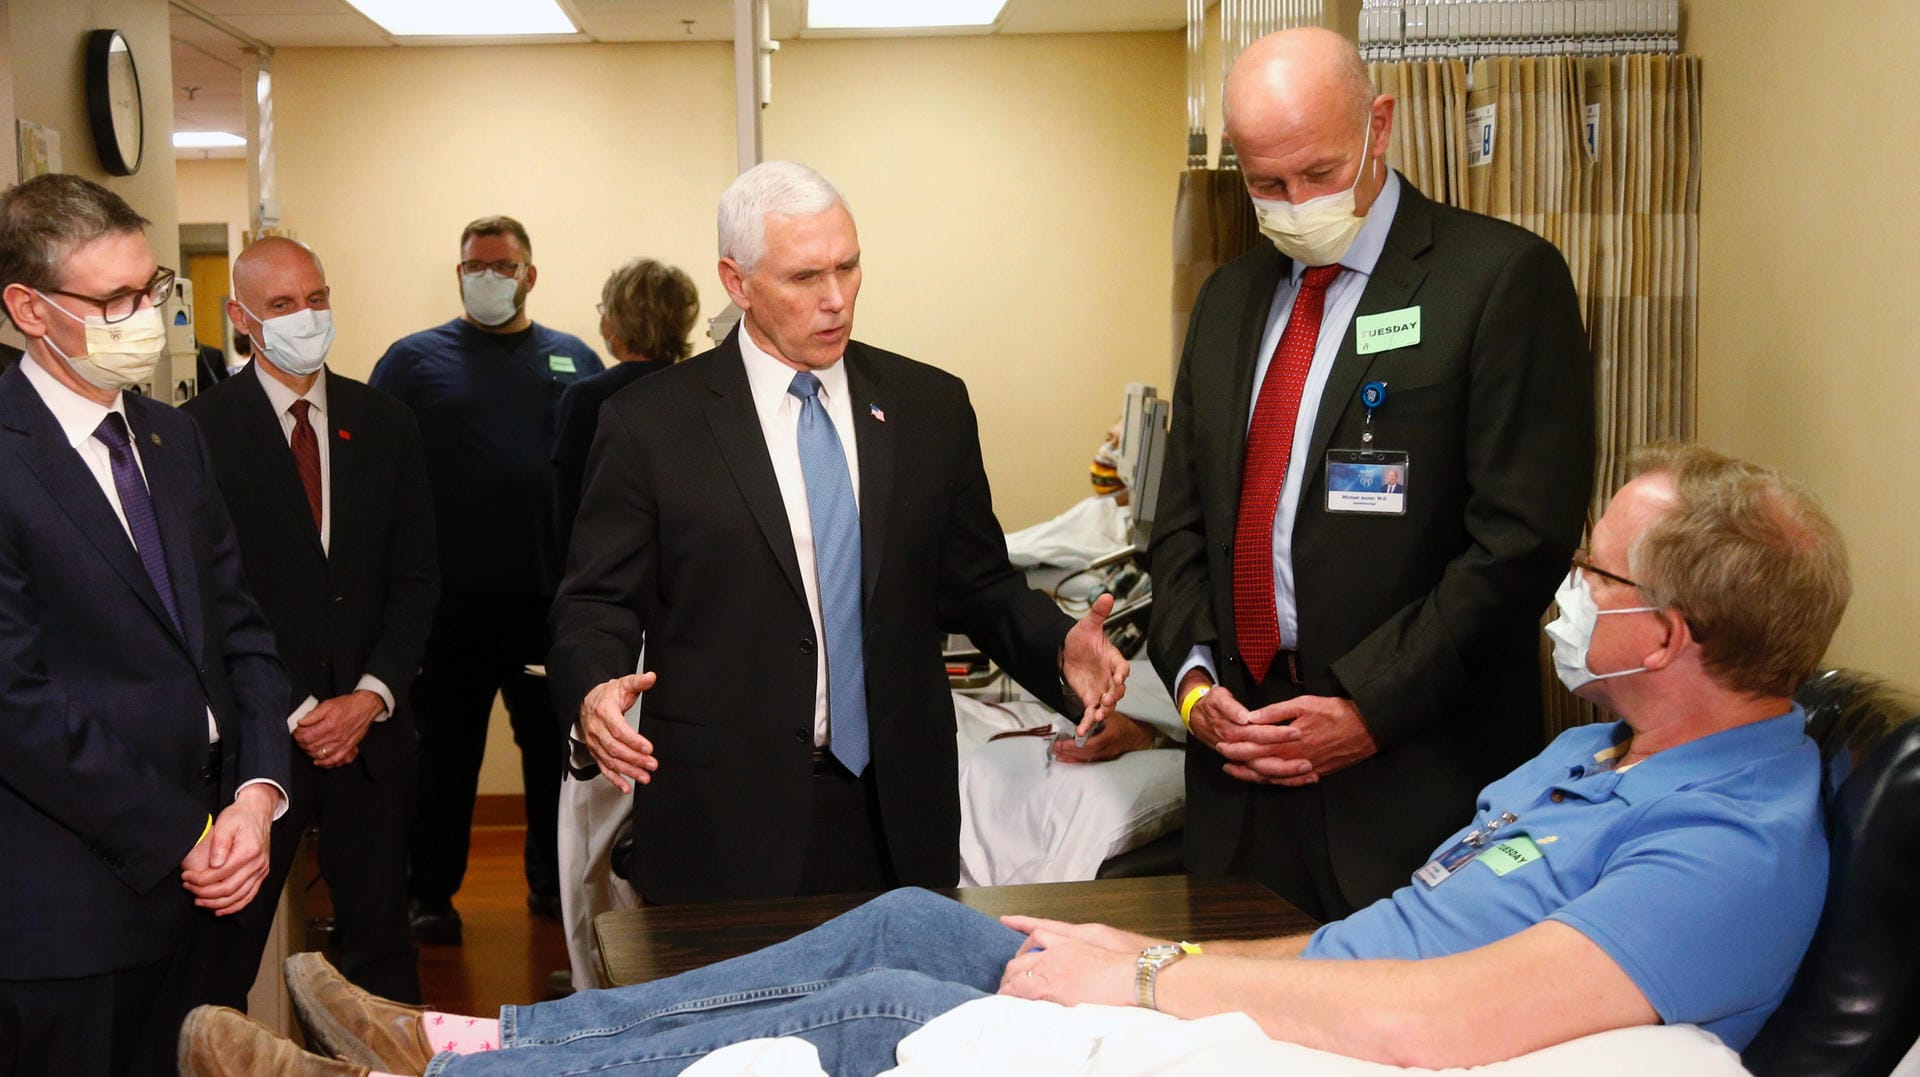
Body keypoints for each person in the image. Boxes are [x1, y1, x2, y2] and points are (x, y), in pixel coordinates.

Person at [180, 441, 1849, 1075]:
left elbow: (1431, 1019)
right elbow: (1378, 954)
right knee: (909, 919)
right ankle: (473, 1036)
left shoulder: (1730, 849)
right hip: (1286, 1000)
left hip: (1318, 1058)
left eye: (1599, 580)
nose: (1569, 597)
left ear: (1678, 634)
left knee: (894, 1014)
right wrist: (1156, 952)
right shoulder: (1606, 757)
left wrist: (1148, 981)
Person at [549, 160, 1129, 905]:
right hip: (722, 819)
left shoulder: (929, 407)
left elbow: (979, 584)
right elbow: (594, 600)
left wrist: (1058, 644)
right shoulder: (652, 425)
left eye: (848, 268)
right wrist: (593, 689)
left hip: (896, 813)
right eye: (803, 278)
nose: (835, 301)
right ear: (737, 281)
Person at [1149, 28, 1595, 920]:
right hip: (1240, 780)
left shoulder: (1498, 280)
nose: (1295, 203)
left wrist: (1365, 706)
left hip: (1414, 775)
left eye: (1318, 173)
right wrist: (1196, 684)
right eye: (1267, 184)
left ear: (1378, 126)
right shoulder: (1230, 298)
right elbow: (1181, 522)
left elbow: (1519, 541)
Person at [0, 173, 291, 1076]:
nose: (145, 316)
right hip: (73, 909)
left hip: (216, 878)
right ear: (29, 308)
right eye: (115, 299)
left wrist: (256, 794)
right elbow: (18, 707)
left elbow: (240, 629)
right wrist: (183, 837)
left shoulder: (171, 437)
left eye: (152, 288)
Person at [183, 237, 440, 1005]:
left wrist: (370, 695)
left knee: (383, 952)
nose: (307, 317)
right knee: (221, 958)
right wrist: (295, 708)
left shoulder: (386, 422)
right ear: (240, 317)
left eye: (317, 298)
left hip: (373, 734)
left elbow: (419, 577)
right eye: (283, 305)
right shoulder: (194, 434)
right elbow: (209, 598)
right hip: (259, 743)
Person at [368, 216, 603, 943]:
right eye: (473, 265)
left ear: (529, 274)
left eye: (500, 265)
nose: (486, 276)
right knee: (443, 756)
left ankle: (551, 888)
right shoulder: (413, 361)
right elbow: (380, 478)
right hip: (449, 606)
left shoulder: (574, 359)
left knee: (555, 760)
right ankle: (429, 894)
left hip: (547, 601)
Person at [547, 256, 699, 991]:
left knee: (592, 830)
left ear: (614, 320)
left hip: (614, 642)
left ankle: (595, 985)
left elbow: (566, 525)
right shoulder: (706, 397)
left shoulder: (591, 402)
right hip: (687, 640)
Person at [550, 257, 700, 555]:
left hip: (611, 567)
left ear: (617, 321)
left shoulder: (588, 399)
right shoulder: (701, 391)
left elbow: (567, 505)